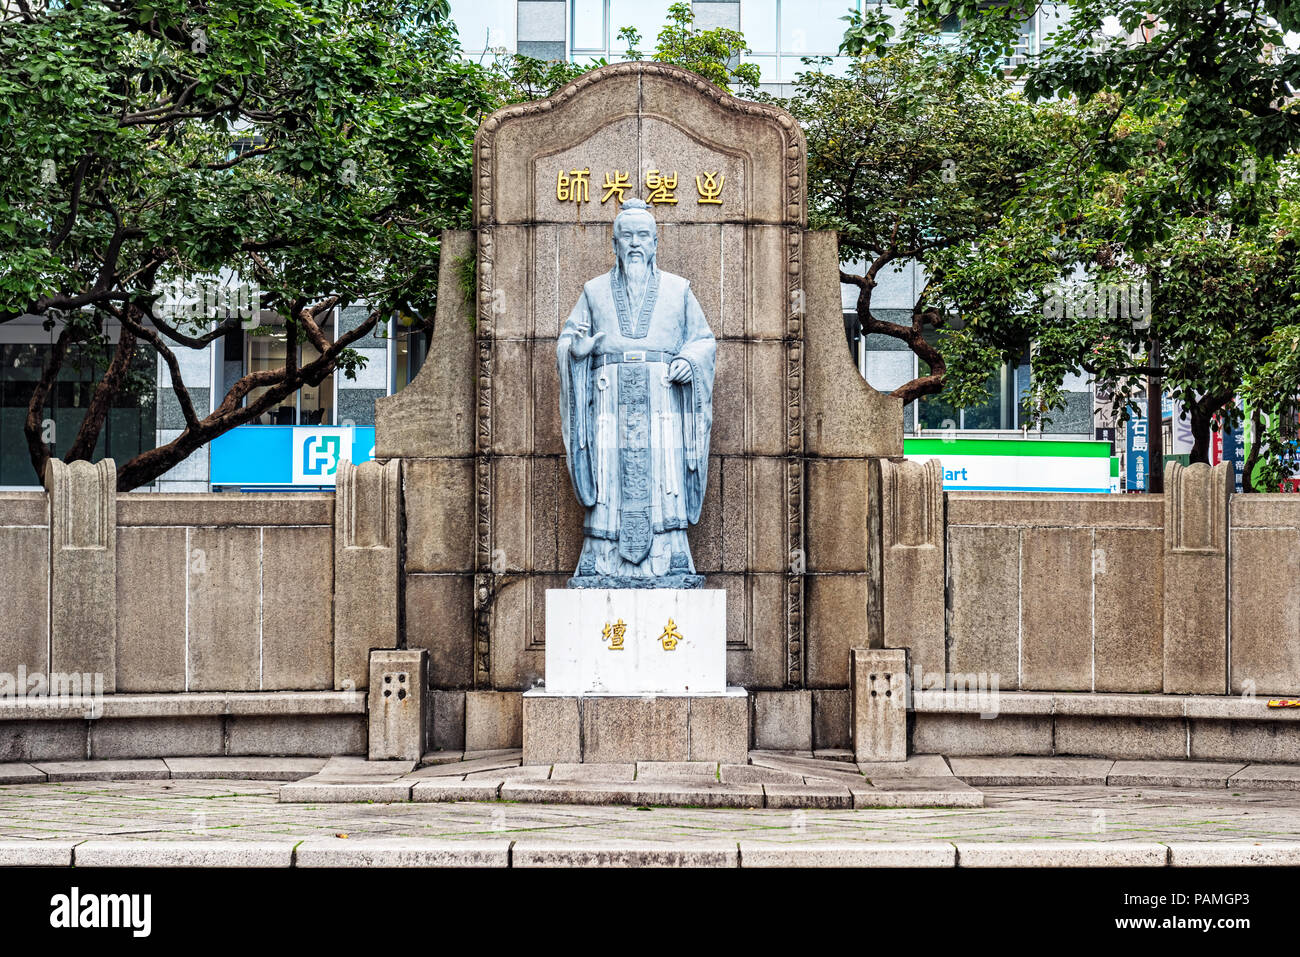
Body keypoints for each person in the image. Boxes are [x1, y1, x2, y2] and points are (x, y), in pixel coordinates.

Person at [556, 198, 716, 586]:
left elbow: (703, 341)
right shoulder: (593, 292)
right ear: (614, 244)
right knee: (609, 479)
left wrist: (690, 362)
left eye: (643, 235)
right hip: (609, 403)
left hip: (662, 401)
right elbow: (567, 340)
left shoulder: (679, 290)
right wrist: (576, 354)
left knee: (665, 478)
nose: (634, 243)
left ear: (656, 242)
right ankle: (599, 558)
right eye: (626, 236)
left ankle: (673, 556)